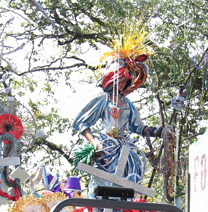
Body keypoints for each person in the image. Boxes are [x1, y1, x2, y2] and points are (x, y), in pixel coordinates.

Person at [72, 32, 170, 199]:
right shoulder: (103, 100)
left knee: (126, 184)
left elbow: (138, 127)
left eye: (126, 81)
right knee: (101, 185)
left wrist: (159, 132)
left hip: (124, 150)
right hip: (105, 149)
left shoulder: (128, 104)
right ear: (112, 78)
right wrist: (95, 142)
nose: (123, 83)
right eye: (121, 79)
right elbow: (80, 123)